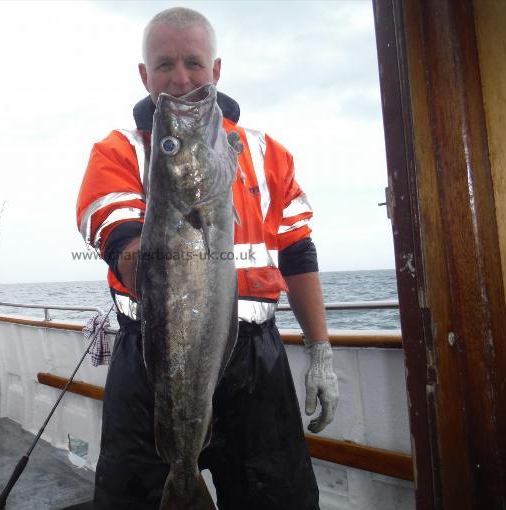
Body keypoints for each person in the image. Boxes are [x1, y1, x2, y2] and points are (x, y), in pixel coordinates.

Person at [76, 7, 339, 510]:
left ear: (216, 70)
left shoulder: (268, 153)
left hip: (256, 359)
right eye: (165, 65)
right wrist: (173, 228)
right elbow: (121, 240)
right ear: (143, 74)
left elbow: (298, 255)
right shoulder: (117, 152)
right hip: (156, 353)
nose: (181, 80)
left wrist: (320, 352)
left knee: (276, 497)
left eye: (194, 64)